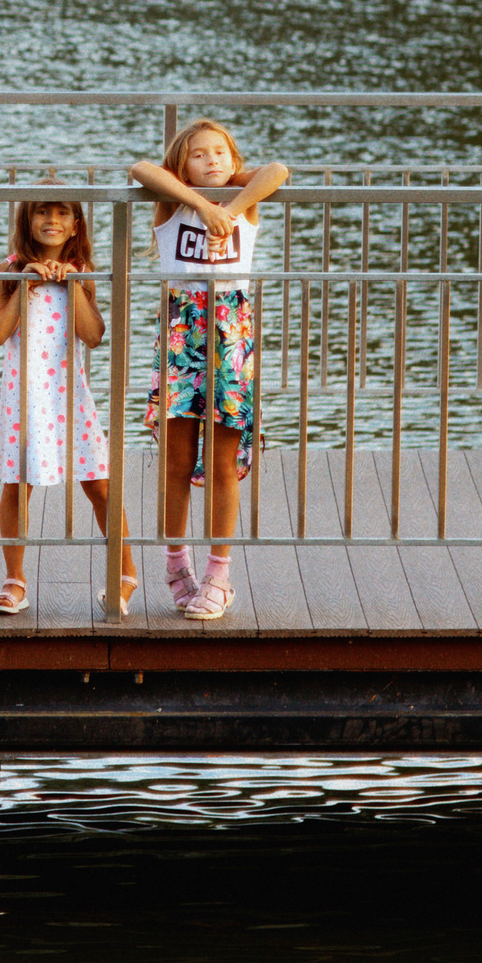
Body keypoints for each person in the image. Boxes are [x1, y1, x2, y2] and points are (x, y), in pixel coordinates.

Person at [128, 118, 291, 621]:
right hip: (182, 337)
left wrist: (230, 211)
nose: (212, 161)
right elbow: (140, 168)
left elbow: (278, 170)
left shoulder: (245, 203)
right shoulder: (173, 205)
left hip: (231, 339)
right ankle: (177, 566)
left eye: (220, 153)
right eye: (198, 155)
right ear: (183, 166)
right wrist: (200, 205)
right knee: (176, 462)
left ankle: (219, 574)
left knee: (222, 463)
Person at [0, 194, 136, 617]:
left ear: (75, 225)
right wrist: (25, 284)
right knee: (17, 483)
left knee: (100, 483)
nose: (51, 219)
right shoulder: (8, 269)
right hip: (25, 394)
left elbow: (93, 334)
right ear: (27, 219)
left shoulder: (83, 273)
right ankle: (15, 580)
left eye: (61, 213)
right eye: (42, 211)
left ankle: (124, 573)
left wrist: (73, 287)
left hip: (69, 391)